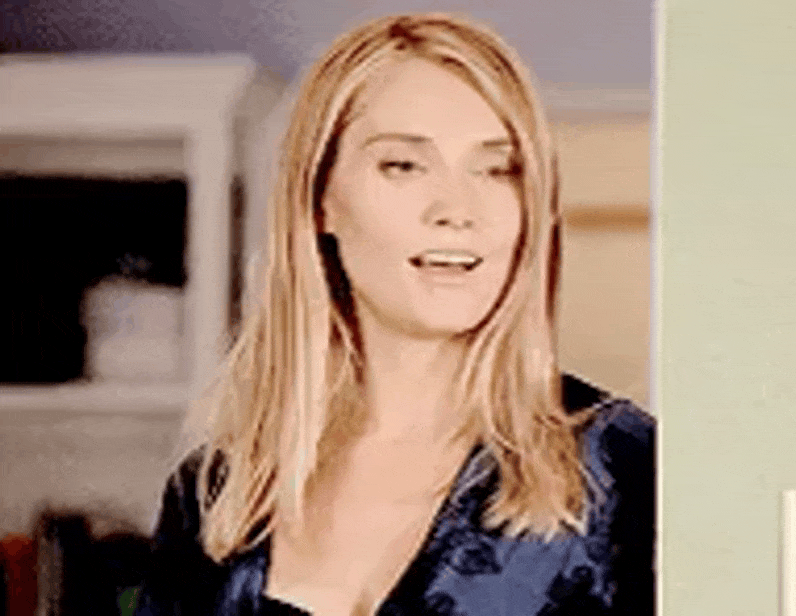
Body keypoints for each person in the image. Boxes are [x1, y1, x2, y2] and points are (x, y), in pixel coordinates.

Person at [134, 12, 654, 616]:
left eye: (498, 169)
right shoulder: (218, 493)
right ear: (321, 197)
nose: (457, 209)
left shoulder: (622, 464)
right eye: (403, 165)